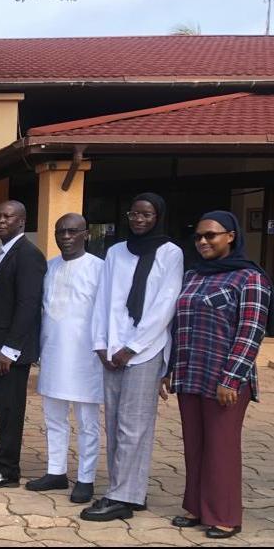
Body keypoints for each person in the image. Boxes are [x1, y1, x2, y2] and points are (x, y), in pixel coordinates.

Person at [163, 211, 270, 539]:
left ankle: (224, 515)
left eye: (211, 235)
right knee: (194, 445)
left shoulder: (250, 278)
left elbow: (251, 332)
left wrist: (231, 378)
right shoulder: (194, 276)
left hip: (224, 380)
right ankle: (195, 507)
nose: (203, 242)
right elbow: (178, 325)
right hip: (190, 374)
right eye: (198, 237)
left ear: (231, 236)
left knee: (221, 447)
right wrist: (169, 370)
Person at [81, 193, 183, 522]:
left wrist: (133, 347)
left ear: (159, 217)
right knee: (113, 424)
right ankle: (128, 491)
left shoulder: (171, 253)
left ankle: (120, 496)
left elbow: (164, 305)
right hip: (111, 349)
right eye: (134, 213)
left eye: (147, 214)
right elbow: (103, 299)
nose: (139, 219)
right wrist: (100, 344)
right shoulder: (115, 252)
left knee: (133, 426)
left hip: (145, 351)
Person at [26, 213, 103, 504]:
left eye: (73, 232)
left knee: (87, 422)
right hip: (54, 353)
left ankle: (86, 478)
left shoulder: (100, 269)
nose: (66, 237)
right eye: (61, 232)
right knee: (54, 417)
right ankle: (56, 471)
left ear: (86, 234)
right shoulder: (50, 268)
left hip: (87, 358)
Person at [0, 201, 46, 489]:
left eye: (7, 216)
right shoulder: (3, 252)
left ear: (21, 222)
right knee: (2, 408)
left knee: (10, 410)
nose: (0, 220)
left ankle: (6, 471)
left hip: (8, 350)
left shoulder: (28, 255)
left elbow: (28, 305)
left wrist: (10, 349)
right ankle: (1, 464)